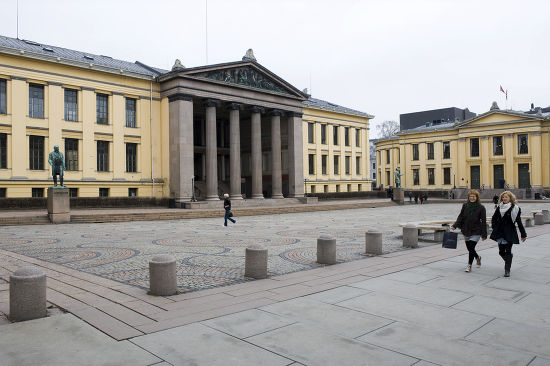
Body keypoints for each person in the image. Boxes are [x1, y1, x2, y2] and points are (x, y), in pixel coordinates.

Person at [490, 191, 527, 277]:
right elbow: (494, 218)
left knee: (508, 250)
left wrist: (523, 234)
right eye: (503, 197)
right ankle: (509, 260)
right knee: (501, 252)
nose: (504, 198)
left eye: (506, 197)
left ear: (510, 198)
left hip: (510, 232)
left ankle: (507, 270)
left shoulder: (515, 208)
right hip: (500, 232)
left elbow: (519, 222)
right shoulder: (499, 207)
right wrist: (494, 226)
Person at [451, 190, 487, 272]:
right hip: (466, 229)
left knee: (471, 247)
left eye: (474, 196)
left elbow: (484, 221)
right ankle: (477, 257)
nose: (472, 198)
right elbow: (460, 217)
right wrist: (455, 225)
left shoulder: (481, 207)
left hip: (476, 230)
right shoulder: (465, 205)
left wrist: (484, 234)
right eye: (470, 196)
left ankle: (469, 265)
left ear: (477, 197)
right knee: (469, 248)